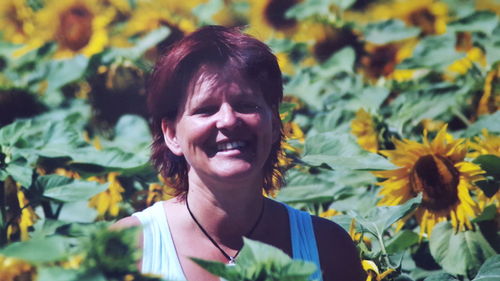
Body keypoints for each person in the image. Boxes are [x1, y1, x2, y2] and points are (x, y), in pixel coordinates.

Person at [113, 25, 366, 281]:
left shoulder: (328, 249)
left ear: (276, 124)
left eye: (246, 105)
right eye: (206, 109)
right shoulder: (130, 249)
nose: (229, 120)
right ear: (171, 134)